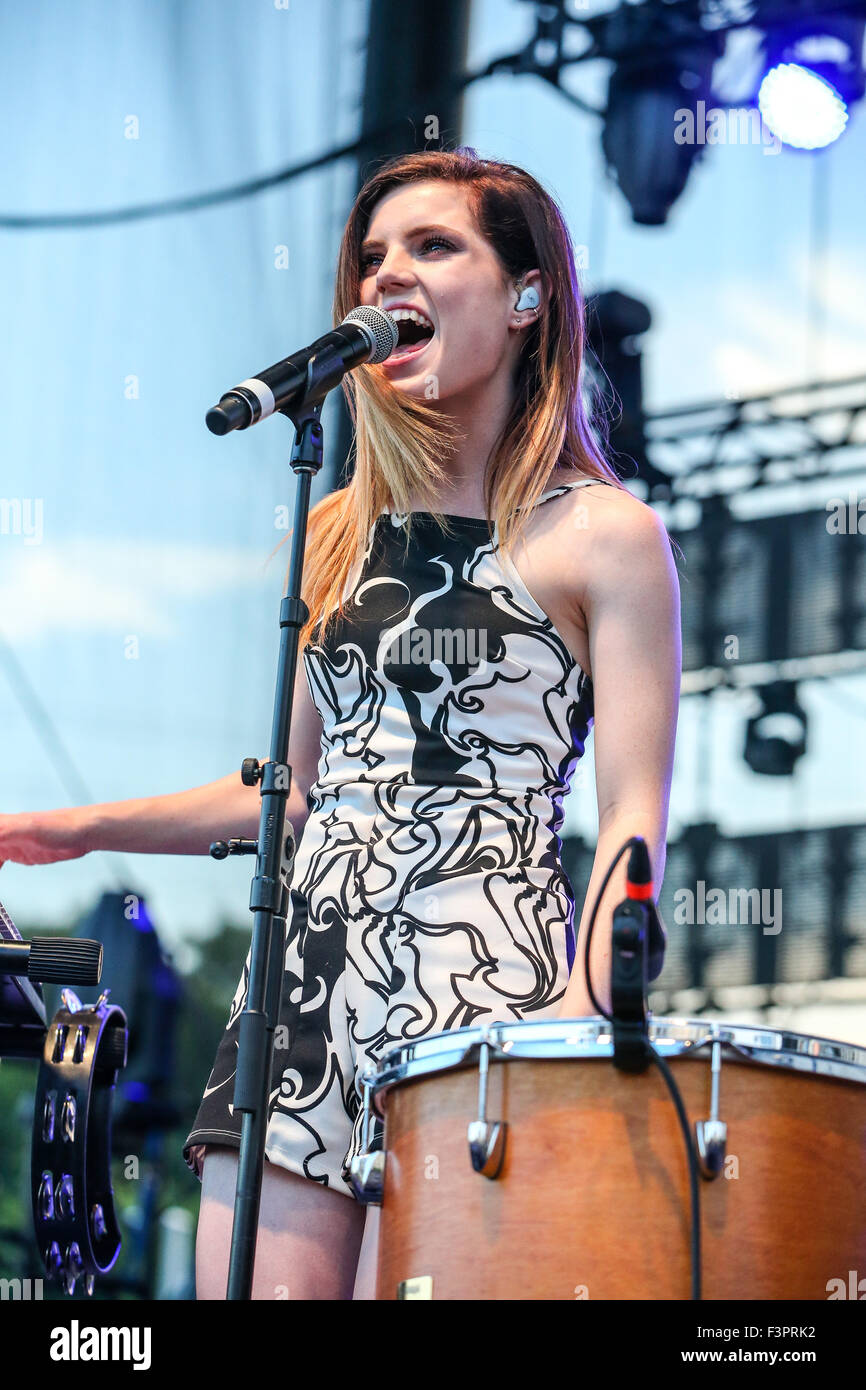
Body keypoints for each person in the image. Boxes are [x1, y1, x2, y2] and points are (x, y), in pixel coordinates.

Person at [0, 148, 681, 1300]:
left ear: (525, 298)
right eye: (370, 257)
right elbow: (288, 789)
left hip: (490, 986)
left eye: (431, 247)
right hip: (305, 990)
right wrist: (61, 830)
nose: (385, 277)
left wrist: (582, 1009)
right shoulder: (335, 534)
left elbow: (631, 813)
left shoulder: (602, 534)